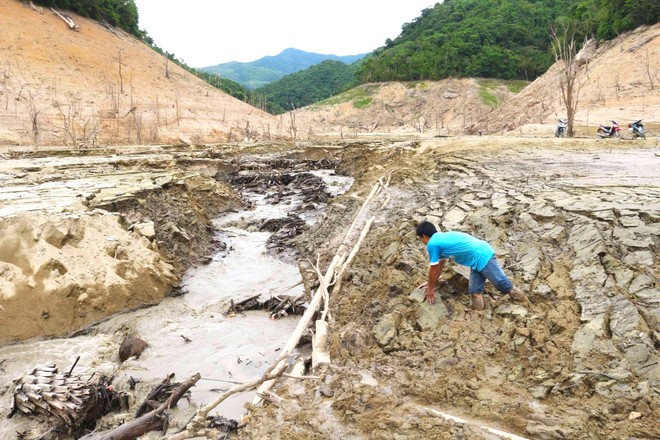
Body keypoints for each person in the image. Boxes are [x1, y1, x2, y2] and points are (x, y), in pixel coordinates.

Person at [415, 221, 530, 310]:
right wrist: (431, 283)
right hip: (475, 261)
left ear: (424, 236)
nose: (422, 241)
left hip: (483, 256)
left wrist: (430, 288)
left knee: (504, 286)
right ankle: (478, 316)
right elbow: (439, 265)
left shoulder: (433, 244)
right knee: (475, 293)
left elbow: (434, 268)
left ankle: (528, 306)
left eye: (421, 239)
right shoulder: (441, 239)